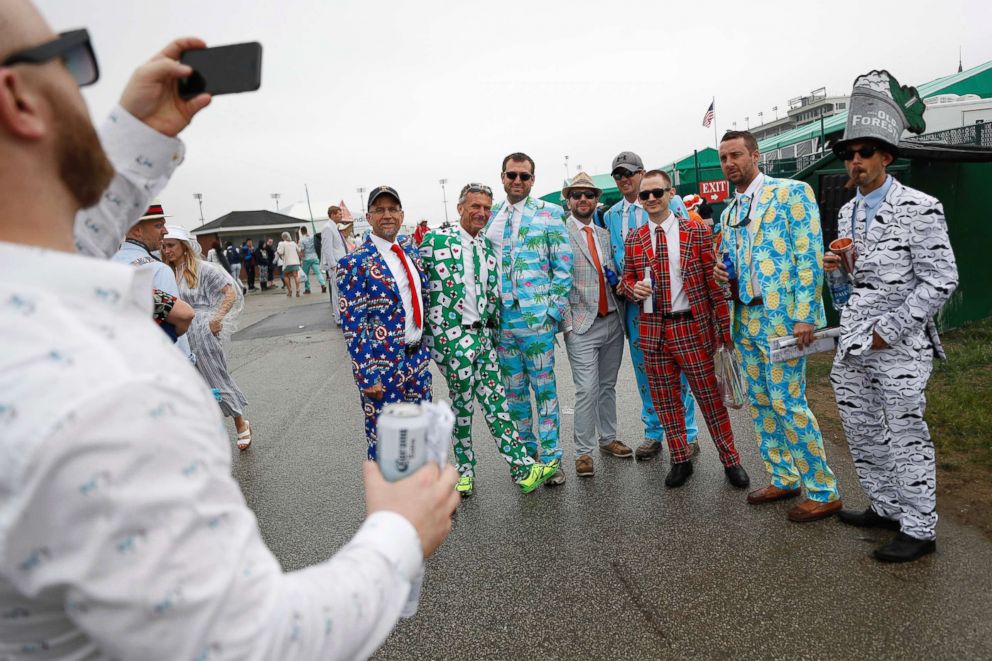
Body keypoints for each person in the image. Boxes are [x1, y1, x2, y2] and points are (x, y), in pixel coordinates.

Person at [0, 9, 460, 657]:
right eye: (71, 60)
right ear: (19, 97)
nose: (86, 88)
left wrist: (137, 135)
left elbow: (66, 238)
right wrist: (399, 533)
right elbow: (249, 642)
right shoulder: (102, 396)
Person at [826, 70, 959, 562]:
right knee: (860, 429)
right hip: (854, 339)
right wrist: (838, 271)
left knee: (904, 429)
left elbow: (941, 279)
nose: (855, 161)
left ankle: (921, 527)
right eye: (848, 153)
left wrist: (891, 331)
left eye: (864, 152)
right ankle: (886, 507)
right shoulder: (846, 213)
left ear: (886, 155)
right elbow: (851, 289)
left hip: (898, 343)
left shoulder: (920, 207)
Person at [714, 130, 842, 522]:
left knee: (789, 401)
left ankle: (823, 489)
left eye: (736, 155)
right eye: (724, 158)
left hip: (784, 320)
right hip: (746, 318)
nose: (729, 163)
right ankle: (783, 476)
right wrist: (722, 273)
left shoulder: (791, 192)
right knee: (762, 403)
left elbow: (808, 253)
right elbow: (731, 261)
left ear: (755, 155)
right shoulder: (729, 211)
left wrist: (805, 313)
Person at [420, 183, 559, 495]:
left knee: (498, 405)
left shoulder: (486, 249)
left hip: (484, 338)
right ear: (460, 208)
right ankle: (464, 471)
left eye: (486, 207)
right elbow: (418, 290)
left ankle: (523, 470)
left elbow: (491, 297)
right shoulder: (435, 241)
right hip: (452, 341)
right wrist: (432, 340)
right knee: (462, 407)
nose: (481, 213)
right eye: (475, 207)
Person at [620, 171, 750, 489]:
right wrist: (632, 287)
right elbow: (626, 280)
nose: (651, 199)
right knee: (666, 401)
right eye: (644, 195)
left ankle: (731, 459)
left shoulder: (694, 231)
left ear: (670, 193)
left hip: (691, 327)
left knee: (710, 400)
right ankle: (680, 459)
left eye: (657, 193)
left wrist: (724, 333)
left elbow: (713, 286)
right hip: (654, 331)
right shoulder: (635, 239)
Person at [603, 151, 700, 460]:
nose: (624, 180)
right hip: (635, 305)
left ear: (642, 173)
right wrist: (622, 283)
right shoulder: (610, 215)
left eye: (629, 173)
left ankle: (687, 432)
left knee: (679, 369)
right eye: (618, 175)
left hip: (673, 304)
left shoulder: (670, 202)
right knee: (646, 370)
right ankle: (654, 431)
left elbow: (690, 248)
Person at [485, 152, 573, 484]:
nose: (517, 181)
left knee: (545, 392)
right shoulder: (491, 217)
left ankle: (551, 461)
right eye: (511, 175)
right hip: (502, 322)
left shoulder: (549, 214)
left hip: (536, 322)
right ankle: (526, 458)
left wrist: (551, 314)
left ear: (533, 180)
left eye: (524, 176)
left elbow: (563, 269)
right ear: (502, 177)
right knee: (514, 394)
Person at [338, 186, 432, 459]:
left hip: (416, 361)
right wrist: (367, 375)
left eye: (393, 209)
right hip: (382, 369)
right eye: (380, 210)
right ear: (368, 217)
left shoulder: (410, 253)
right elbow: (353, 326)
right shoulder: (354, 263)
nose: (387, 215)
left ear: (402, 215)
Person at [559, 173, 629, 477]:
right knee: (586, 389)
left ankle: (608, 439)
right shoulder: (559, 234)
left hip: (613, 319)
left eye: (588, 195)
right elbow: (555, 282)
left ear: (596, 199)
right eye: (576, 195)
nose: (583, 200)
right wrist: (568, 325)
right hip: (582, 325)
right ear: (569, 200)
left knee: (607, 386)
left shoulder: (603, 234)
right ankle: (583, 452)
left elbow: (614, 270)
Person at [161, 226, 252, 449]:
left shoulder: (204, 269)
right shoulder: (166, 273)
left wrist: (215, 320)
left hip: (202, 331)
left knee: (215, 377)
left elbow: (230, 292)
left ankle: (241, 423)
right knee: (190, 383)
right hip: (177, 334)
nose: (167, 251)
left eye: (171, 245)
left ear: (184, 246)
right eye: (163, 246)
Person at [112, 201, 194, 362]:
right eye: (158, 226)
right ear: (136, 230)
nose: (165, 231)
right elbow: (175, 322)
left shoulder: (108, 264)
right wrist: (187, 361)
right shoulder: (156, 269)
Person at [321, 205, 351, 321]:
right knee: (336, 292)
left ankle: (342, 315)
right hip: (335, 265)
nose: (341, 216)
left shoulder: (334, 227)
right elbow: (327, 248)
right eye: (339, 214)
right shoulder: (327, 228)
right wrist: (332, 265)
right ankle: (338, 317)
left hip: (340, 263)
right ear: (332, 214)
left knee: (341, 291)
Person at [298, 225, 327, 295]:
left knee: (306, 274)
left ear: (301, 232)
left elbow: (302, 250)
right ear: (306, 230)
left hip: (306, 259)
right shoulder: (312, 237)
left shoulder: (301, 240)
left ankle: (307, 289)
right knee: (318, 272)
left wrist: (300, 258)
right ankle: (323, 284)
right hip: (314, 257)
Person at [277, 230, 302, 297]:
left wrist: (278, 252)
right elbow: (299, 250)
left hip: (287, 263)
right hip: (295, 262)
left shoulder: (282, 243)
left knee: (286, 276)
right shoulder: (293, 243)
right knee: (296, 276)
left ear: (283, 237)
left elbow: (280, 252)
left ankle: (290, 290)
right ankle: (298, 290)